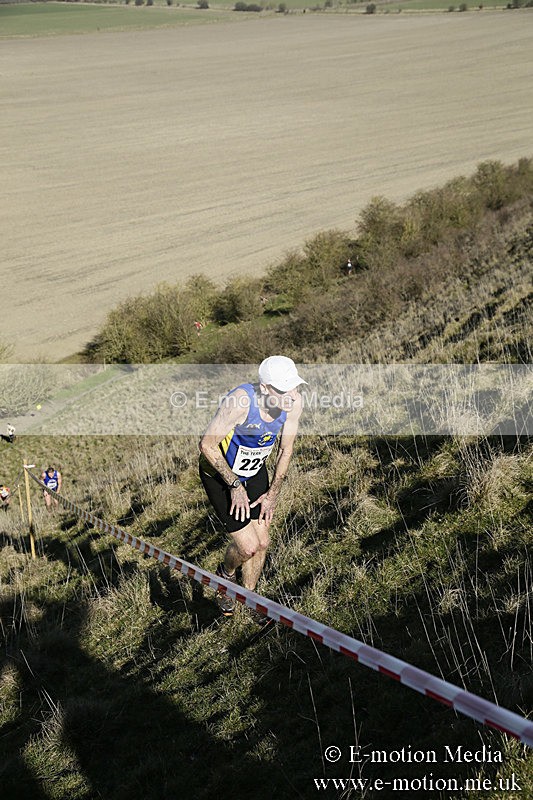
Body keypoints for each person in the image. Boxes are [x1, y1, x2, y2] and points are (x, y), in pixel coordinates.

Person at [199, 356, 305, 622]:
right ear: (265, 388)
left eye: (294, 387)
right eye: (284, 390)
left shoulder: (294, 403)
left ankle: (250, 598)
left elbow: (286, 449)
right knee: (247, 548)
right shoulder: (240, 402)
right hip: (220, 473)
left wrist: (272, 494)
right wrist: (234, 484)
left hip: (254, 468)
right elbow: (207, 445)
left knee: (263, 542)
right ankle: (225, 576)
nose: (291, 396)